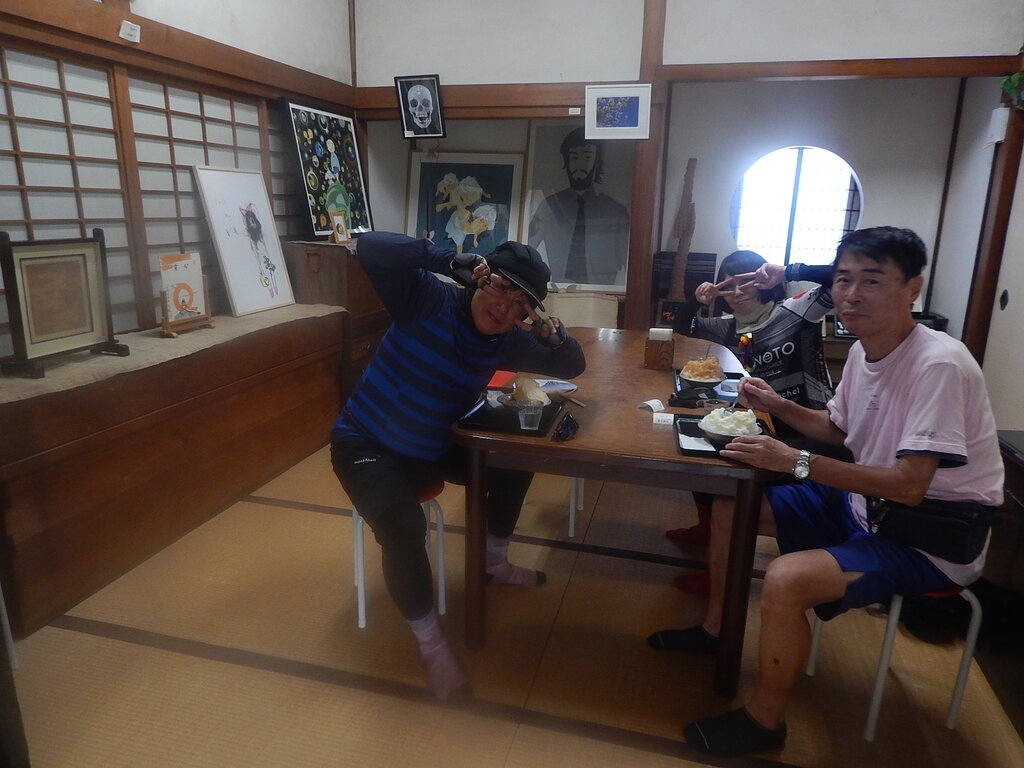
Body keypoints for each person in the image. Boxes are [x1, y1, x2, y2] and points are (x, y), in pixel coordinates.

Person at [648, 226, 1004, 757]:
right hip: (867, 507)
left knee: (786, 579)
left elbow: (910, 486)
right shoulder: (863, 352)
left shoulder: (938, 364)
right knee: (731, 506)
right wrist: (776, 404)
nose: (852, 294)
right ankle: (715, 629)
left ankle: (765, 722)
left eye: (872, 281)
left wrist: (794, 461)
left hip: (929, 535)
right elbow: (839, 431)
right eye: (843, 280)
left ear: (912, 288)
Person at [330, 231, 586, 703]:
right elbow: (370, 248)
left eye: (521, 304)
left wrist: (556, 335)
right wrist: (446, 259)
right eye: (501, 288)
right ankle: (433, 648)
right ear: (480, 277)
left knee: (514, 459)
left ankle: (494, 564)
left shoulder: (508, 339)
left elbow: (571, 366)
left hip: (432, 445)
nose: (504, 308)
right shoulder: (428, 299)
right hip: (366, 443)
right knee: (404, 527)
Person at [667, 250, 839, 593]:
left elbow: (839, 279)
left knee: (730, 467)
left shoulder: (796, 311)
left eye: (746, 282)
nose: (737, 292)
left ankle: (722, 566)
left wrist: (789, 271)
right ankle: (707, 530)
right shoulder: (727, 326)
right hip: (760, 422)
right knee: (702, 443)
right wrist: (696, 300)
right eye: (728, 285)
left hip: (808, 429)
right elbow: (678, 325)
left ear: (764, 282)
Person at [527, 127, 629, 285]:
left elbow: (629, 264)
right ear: (566, 162)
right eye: (574, 157)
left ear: (597, 161)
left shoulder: (616, 212)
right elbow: (526, 246)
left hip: (602, 293)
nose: (580, 164)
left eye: (587, 156)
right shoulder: (549, 206)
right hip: (558, 290)